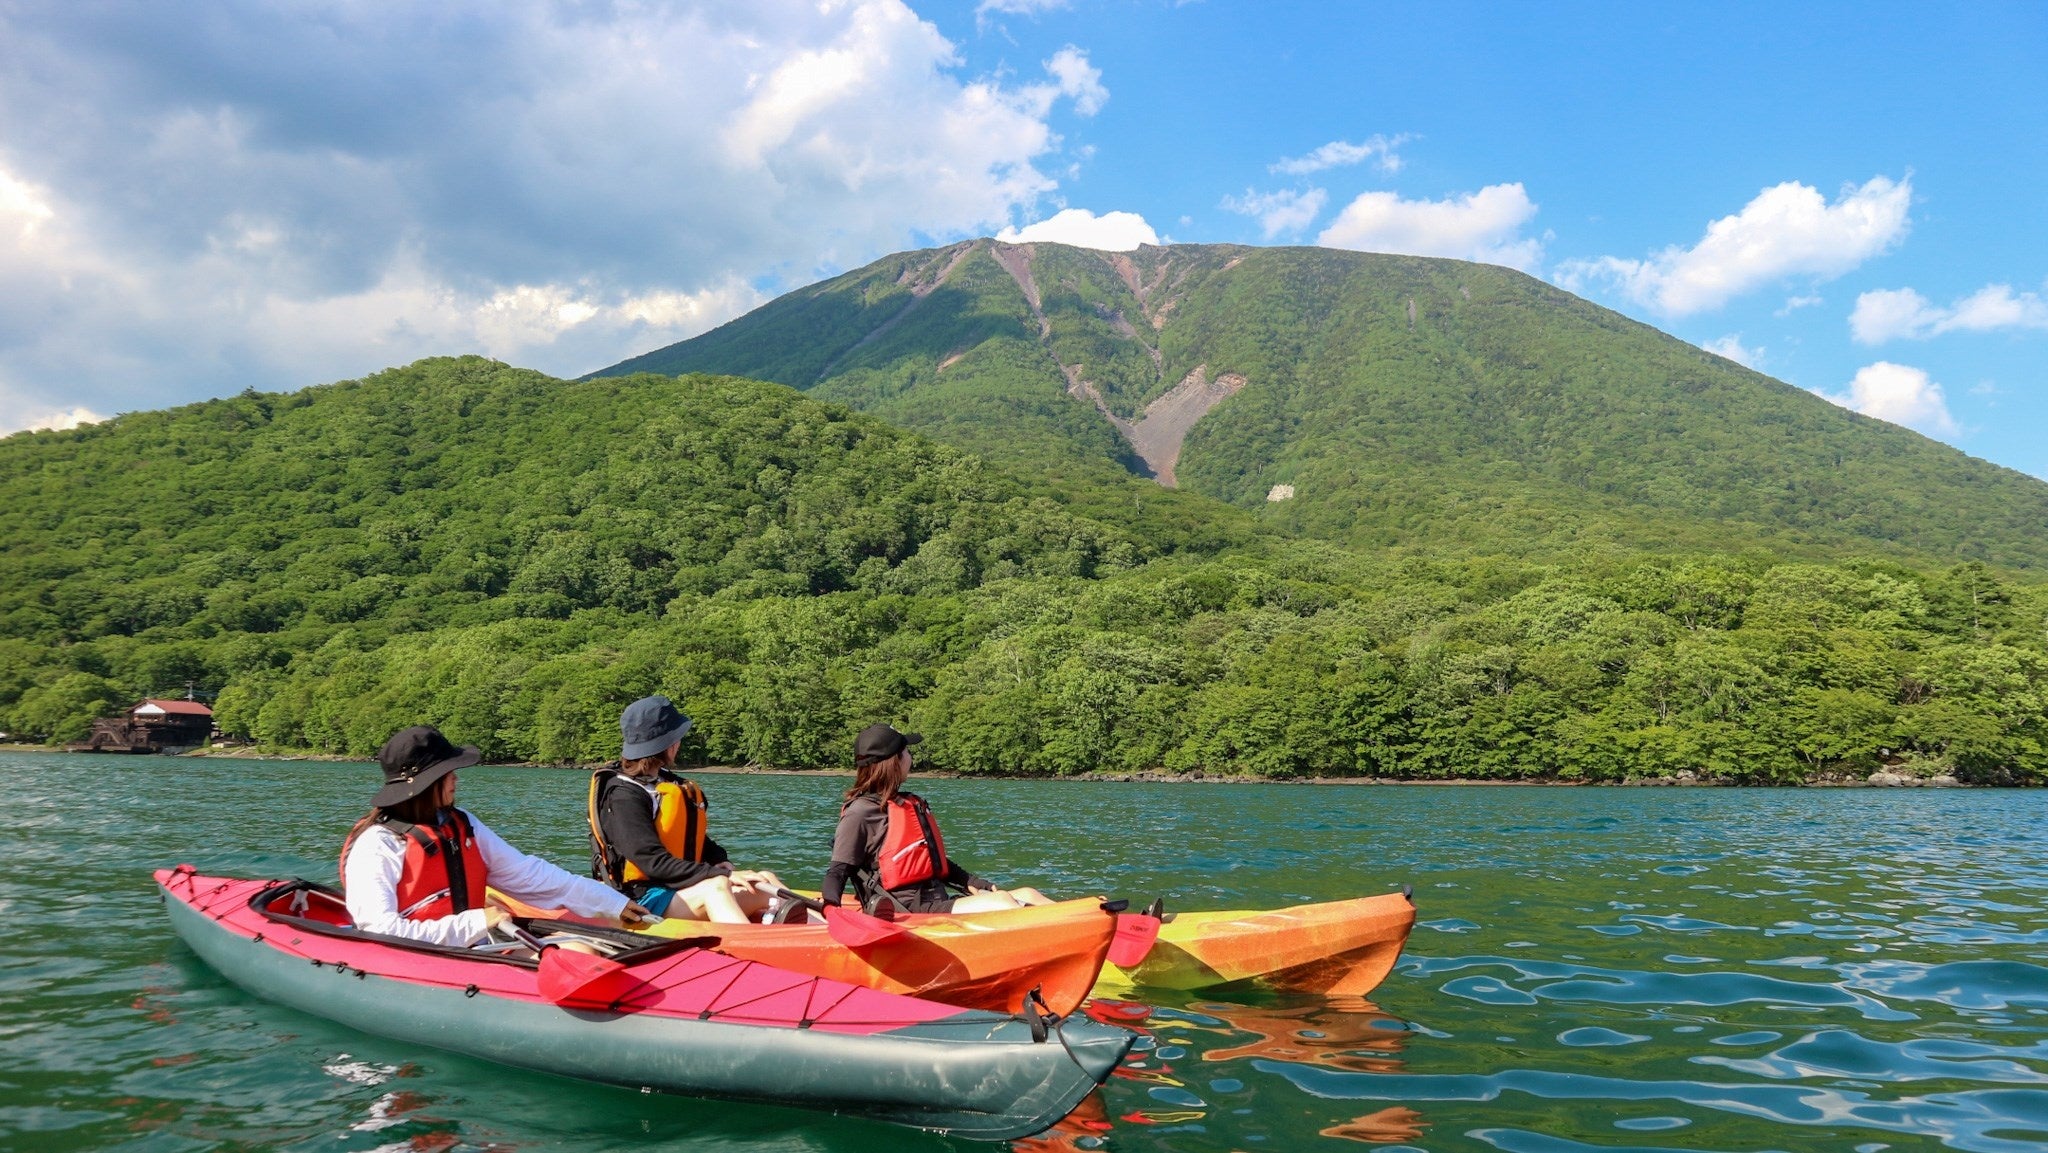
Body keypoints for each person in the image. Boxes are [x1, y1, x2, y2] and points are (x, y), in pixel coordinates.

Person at [342, 724, 651, 947]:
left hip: (472, 952)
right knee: (577, 949)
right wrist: (475, 923)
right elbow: (378, 931)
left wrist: (612, 902)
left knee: (580, 947)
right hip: (417, 961)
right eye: (447, 773)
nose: (456, 778)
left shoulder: (464, 825)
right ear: (425, 783)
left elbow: (530, 876)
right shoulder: (377, 844)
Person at [588, 696, 788, 924]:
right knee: (716, 887)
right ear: (666, 744)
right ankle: (749, 945)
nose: (679, 743)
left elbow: (690, 838)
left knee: (764, 879)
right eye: (676, 737)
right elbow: (652, 862)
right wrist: (719, 874)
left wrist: (718, 860)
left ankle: (818, 930)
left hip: (678, 889)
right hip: (639, 900)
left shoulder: (663, 782)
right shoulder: (622, 796)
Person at [822, 722, 1052, 915]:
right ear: (894, 761)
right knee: (1003, 902)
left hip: (935, 902)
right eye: (907, 752)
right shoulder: (860, 813)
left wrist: (971, 881)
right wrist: (831, 908)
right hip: (905, 911)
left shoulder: (903, 803)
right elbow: (838, 871)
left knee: (1029, 894)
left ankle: (1073, 930)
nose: (911, 757)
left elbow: (932, 863)